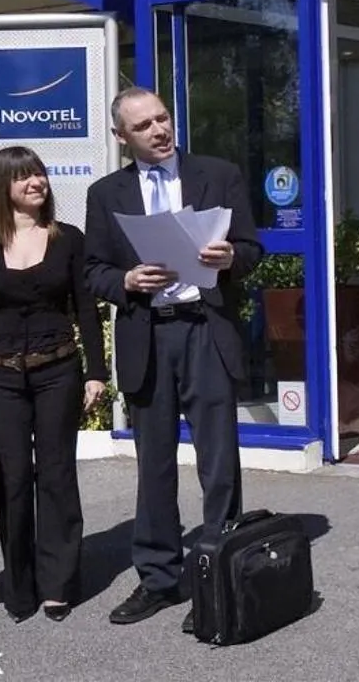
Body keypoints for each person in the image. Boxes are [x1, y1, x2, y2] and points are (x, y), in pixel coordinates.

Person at [85, 86, 262, 629]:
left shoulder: (219, 173)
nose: (159, 130)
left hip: (206, 330)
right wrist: (127, 280)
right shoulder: (106, 193)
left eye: (163, 118)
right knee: (154, 468)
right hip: (149, 333)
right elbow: (93, 269)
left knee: (219, 465)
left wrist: (232, 256)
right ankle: (159, 581)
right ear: (122, 138)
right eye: (144, 126)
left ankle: (218, 578)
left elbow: (253, 249)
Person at [0, 146, 108, 623]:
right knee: (15, 478)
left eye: (38, 174)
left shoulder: (69, 239)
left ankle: (59, 583)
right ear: (3, 188)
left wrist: (96, 372)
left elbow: (85, 309)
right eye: (23, 178)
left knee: (58, 475)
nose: (35, 183)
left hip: (57, 369)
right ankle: (20, 585)